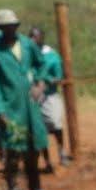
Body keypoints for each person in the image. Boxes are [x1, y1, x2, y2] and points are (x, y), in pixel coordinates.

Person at [0, 9, 48, 190]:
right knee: (12, 148)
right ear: (0, 28)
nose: (10, 29)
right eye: (6, 27)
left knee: (33, 146)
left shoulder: (27, 43)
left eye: (13, 26)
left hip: (31, 105)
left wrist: (40, 83)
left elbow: (42, 64)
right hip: (10, 105)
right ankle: (12, 188)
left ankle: (35, 188)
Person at [28, 24, 67, 168]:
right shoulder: (27, 55)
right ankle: (47, 161)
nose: (32, 39)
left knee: (56, 123)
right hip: (33, 98)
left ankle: (62, 152)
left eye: (35, 37)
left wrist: (48, 80)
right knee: (39, 129)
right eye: (30, 36)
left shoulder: (52, 56)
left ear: (42, 38)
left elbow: (59, 77)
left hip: (49, 96)